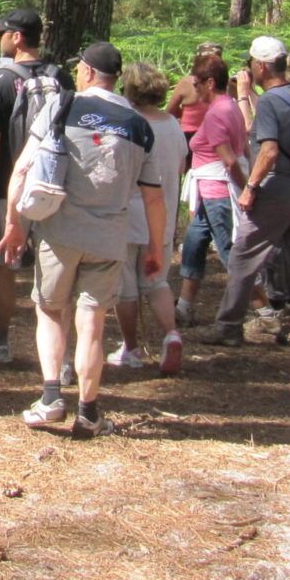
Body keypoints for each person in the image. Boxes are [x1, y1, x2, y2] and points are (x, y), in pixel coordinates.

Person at [0, 41, 164, 438]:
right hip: (109, 237)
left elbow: (22, 169)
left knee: (51, 311)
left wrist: (14, 223)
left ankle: (52, 397)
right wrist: (157, 247)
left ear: (87, 72)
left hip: (59, 233)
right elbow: (154, 196)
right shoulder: (140, 125)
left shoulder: (63, 106)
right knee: (92, 322)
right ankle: (89, 410)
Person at [198, 36, 290, 358]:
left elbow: (269, 150)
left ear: (260, 66)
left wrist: (251, 187)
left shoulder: (272, 101)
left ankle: (228, 326)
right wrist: (246, 96)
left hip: (276, 188)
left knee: (244, 254)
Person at [0, 9, 65, 365]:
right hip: (55, 188)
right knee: (56, 268)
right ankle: (62, 358)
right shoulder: (62, 77)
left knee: (4, 267)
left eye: (0, 33)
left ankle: (0, 341)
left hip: (11, 190)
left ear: (17, 37)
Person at [110, 62, 188, 376]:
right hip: (163, 217)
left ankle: (130, 348)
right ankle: (171, 334)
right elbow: (181, 166)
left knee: (125, 288)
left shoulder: (126, 124)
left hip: (129, 217)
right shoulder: (172, 125)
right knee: (157, 283)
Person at [175, 52, 247, 326]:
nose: (193, 90)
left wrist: (247, 190)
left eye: (196, 83)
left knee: (230, 252)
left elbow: (229, 159)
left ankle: (261, 312)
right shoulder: (229, 105)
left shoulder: (218, 113)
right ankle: (184, 306)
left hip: (218, 192)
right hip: (207, 193)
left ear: (209, 82)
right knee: (194, 242)